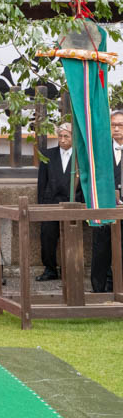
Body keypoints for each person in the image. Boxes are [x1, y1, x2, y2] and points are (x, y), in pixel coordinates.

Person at [36, 123, 81, 281]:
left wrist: (81, 201)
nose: (62, 140)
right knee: (47, 236)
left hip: (72, 202)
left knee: (72, 237)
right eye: (60, 136)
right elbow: (42, 183)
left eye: (66, 136)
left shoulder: (80, 156)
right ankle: (50, 269)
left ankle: (70, 270)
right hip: (51, 202)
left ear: (73, 137)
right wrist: (41, 206)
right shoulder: (47, 154)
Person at [91, 110, 123, 292]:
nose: (116, 129)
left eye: (120, 125)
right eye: (113, 125)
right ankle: (98, 289)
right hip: (104, 206)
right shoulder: (100, 150)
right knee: (101, 249)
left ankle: (119, 287)